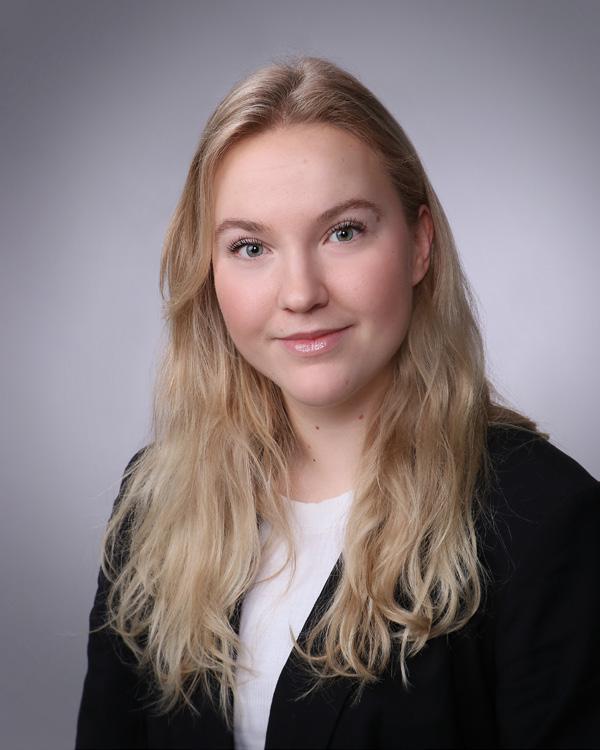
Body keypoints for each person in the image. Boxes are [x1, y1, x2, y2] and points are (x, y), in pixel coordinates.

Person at [75, 56, 600, 750]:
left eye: (343, 232)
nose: (301, 293)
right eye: (251, 246)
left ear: (419, 245)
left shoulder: (545, 517)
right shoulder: (156, 502)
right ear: (209, 270)